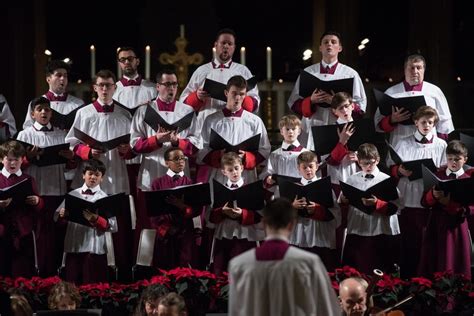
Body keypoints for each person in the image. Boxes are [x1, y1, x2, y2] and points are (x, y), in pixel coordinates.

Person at [228, 198, 340, 316]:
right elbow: (327, 310)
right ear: (292, 225)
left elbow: (235, 311)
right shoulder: (309, 263)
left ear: (264, 223)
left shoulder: (239, 264)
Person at [131, 69, 201, 254]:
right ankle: (147, 270)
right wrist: (156, 140)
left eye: (175, 84)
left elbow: (196, 146)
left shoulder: (187, 111)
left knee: (179, 225)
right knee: (150, 226)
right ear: (158, 87)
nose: (171, 88)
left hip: (178, 180)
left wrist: (177, 141)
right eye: (167, 84)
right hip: (151, 173)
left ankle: (179, 270)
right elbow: (134, 145)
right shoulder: (144, 111)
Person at [180, 28, 260, 182]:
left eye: (230, 44)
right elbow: (184, 104)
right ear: (216, 45)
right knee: (207, 176)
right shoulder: (202, 71)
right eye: (223, 43)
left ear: (234, 47)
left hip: (236, 127)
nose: (226, 47)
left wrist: (237, 96)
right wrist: (197, 96)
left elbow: (254, 102)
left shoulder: (242, 71)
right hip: (208, 125)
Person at [16, 96, 75, 277]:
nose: (44, 112)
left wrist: (70, 158)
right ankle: (39, 275)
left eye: (47, 109)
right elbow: (15, 166)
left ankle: (57, 274)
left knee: (57, 234)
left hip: (57, 190)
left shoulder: (60, 134)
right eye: (39, 109)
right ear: (32, 113)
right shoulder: (24, 135)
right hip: (36, 193)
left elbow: (70, 167)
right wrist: (28, 158)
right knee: (39, 237)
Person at [389, 106, 447, 278]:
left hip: (429, 200)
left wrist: (437, 171)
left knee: (428, 245)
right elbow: (391, 168)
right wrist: (399, 171)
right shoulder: (402, 142)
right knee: (408, 244)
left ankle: (428, 281)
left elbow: (445, 171)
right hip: (407, 198)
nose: (427, 125)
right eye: (423, 122)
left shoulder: (441, 144)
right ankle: (407, 281)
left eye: (430, 122)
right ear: (416, 122)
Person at [287, 31, 366, 147]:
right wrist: (311, 101)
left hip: (339, 126)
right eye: (326, 42)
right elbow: (294, 104)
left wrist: (336, 102)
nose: (329, 44)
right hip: (312, 124)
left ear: (340, 48)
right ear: (320, 48)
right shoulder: (308, 72)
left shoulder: (350, 74)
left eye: (333, 42)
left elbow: (360, 109)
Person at [66, 69, 134, 195]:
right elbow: (71, 144)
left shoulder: (124, 115)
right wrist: (88, 152)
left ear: (115, 88)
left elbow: (133, 145)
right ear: (95, 88)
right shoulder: (84, 113)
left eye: (108, 85)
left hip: (116, 170)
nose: (104, 89)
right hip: (91, 169)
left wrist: (126, 149)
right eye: (101, 85)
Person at [197, 75, 270, 185]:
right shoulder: (212, 120)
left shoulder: (255, 121)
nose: (237, 98)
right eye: (234, 93)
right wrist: (218, 155)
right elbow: (202, 148)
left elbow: (265, 149)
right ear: (226, 93)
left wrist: (246, 157)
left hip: (245, 175)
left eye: (241, 94)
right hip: (221, 174)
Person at [54, 159, 118, 284]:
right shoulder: (72, 194)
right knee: (72, 284)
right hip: (74, 246)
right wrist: (63, 215)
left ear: (102, 178)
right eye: (90, 173)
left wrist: (97, 219)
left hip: (94, 248)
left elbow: (113, 226)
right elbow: (57, 218)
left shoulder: (105, 198)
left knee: (94, 285)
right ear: (83, 175)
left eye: (97, 174)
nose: (93, 177)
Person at [339, 143, 400, 274]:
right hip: (357, 229)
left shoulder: (386, 180)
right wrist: (343, 201)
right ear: (358, 161)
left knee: (379, 268)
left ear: (377, 160)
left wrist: (377, 203)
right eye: (364, 163)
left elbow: (397, 207)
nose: (368, 166)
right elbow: (342, 203)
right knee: (356, 269)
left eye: (371, 163)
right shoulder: (351, 179)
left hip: (379, 230)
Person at [419, 140, 473, 279]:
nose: (453, 162)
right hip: (436, 224)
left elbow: (471, 208)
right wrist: (433, 195)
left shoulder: (468, 179)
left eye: (457, 159)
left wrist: (449, 204)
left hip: (456, 227)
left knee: (455, 261)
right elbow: (424, 201)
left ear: (465, 159)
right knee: (434, 259)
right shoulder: (438, 176)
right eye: (450, 159)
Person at [374, 54, 454, 147]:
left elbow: (445, 123)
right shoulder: (391, 92)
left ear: (423, 70)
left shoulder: (435, 91)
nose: (415, 71)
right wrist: (392, 120)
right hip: (400, 145)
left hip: (429, 146)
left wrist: (440, 147)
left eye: (418, 68)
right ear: (405, 70)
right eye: (411, 68)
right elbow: (379, 124)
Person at [208, 152, 265, 275]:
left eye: (236, 168)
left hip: (245, 235)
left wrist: (242, 214)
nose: (234, 172)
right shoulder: (219, 189)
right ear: (224, 172)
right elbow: (211, 217)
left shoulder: (252, 189)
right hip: (224, 234)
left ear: (242, 168)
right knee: (222, 268)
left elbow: (259, 216)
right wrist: (222, 211)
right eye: (230, 170)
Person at [149, 147, 201, 269]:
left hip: (185, 232)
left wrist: (182, 207)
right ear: (166, 162)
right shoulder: (157, 183)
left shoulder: (190, 183)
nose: (181, 161)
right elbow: (153, 212)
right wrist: (166, 229)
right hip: (166, 233)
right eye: (176, 159)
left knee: (185, 268)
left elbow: (196, 210)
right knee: (164, 268)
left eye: (183, 158)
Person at [289, 151, 341, 270]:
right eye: (304, 167)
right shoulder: (291, 188)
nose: (308, 170)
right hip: (298, 237)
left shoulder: (327, 187)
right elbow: (280, 218)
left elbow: (337, 217)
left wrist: (318, 210)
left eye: (311, 166)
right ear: (298, 168)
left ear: (317, 166)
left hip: (320, 237)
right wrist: (292, 207)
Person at [0, 140, 44, 277]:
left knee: (23, 270)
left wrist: (37, 201)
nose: (13, 163)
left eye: (16, 159)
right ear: (1, 159)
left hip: (23, 230)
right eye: (9, 159)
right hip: (2, 230)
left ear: (22, 160)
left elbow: (39, 206)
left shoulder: (28, 179)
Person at [23, 60, 84, 129]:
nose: (63, 78)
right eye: (59, 75)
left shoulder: (78, 104)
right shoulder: (36, 103)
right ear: (48, 79)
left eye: (65, 76)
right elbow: (28, 128)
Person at [260, 114, 309, 196]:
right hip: (280, 194)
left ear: (299, 131)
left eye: (293, 129)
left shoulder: (306, 153)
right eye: (287, 129)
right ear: (281, 131)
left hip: (301, 193)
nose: (290, 132)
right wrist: (268, 180)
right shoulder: (275, 154)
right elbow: (267, 173)